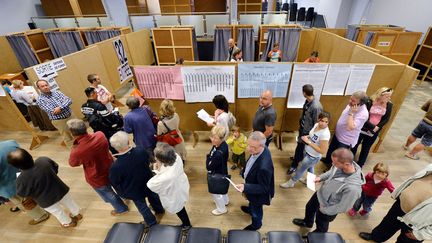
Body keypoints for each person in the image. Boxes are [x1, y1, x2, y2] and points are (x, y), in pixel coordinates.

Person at [292, 148, 364, 233]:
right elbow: (332, 172)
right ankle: (307, 222)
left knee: (321, 224)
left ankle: (316, 237)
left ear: (347, 164)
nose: (333, 164)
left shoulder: (353, 189)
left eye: (335, 163)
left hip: (328, 207)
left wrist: (324, 210)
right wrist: (320, 177)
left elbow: (344, 207)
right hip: (321, 194)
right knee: (309, 207)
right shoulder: (341, 165)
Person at [67, 119, 129, 216]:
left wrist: (74, 147)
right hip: (111, 167)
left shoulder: (77, 151)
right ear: (85, 127)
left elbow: (72, 163)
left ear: (72, 133)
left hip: (96, 175)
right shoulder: (100, 135)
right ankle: (126, 197)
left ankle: (121, 209)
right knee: (118, 185)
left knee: (108, 193)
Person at [7, 148, 82, 228]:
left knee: (57, 212)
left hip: (46, 200)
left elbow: (23, 193)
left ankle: (68, 222)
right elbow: (55, 167)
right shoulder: (43, 160)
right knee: (69, 202)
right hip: (60, 189)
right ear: (30, 155)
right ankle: (77, 214)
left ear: (16, 166)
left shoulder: (21, 179)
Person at [359, 164, 432, 243]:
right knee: (386, 225)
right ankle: (376, 237)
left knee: (405, 240)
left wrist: (421, 235)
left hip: (416, 223)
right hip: (400, 205)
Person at [109, 131, 164, 227]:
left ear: (114, 148)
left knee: (142, 207)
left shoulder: (115, 167)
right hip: (148, 181)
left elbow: (115, 181)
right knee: (154, 196)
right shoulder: (140, 150)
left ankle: (152, 223)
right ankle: (159, 210)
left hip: (133, 190)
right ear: (129, 142)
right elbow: (148, 161)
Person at [0, 140, 50, 225]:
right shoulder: (10, 143)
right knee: (33, 194)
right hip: (25, 175)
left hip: (10, 186)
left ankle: (40, 216)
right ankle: (46, 206)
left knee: (24, 202)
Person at [235, 131, 275, 230]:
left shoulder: (264, 167)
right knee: (251, 203)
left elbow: (264, 187)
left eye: (253, 147)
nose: (249, 149)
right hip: (253, 183)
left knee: (256, 210)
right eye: (249, 145)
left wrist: (245, 187)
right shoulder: (259, 149)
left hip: (258, 194)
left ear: (262, 145)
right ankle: (250, 208)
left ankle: (256, 225)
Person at [147, 143, 192, 230]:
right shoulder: (176, 156)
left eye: (157, 157)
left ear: (163, 160)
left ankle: (187, 224)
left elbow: (151, 184)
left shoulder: (168, 176)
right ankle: (186, 223)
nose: (155, 158)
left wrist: (156, 169)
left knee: (179, 208)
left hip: (173, 191)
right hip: (180, 183)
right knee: (180, 206)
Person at [281, 112, 330, 188]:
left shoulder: (325, 134)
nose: (323, 123)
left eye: (326, 122)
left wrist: (309, 142)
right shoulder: (316, 125)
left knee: (301, 169)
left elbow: (322, 151)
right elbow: (312, 135)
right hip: (308, 151)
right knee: (310, 167)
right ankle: (310, 182)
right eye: (322, 121)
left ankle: (291, 182)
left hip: (313, 157)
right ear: (318, 119)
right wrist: (306, 137)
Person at [323, 91, 369, 167]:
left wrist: (351, 113)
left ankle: (332, 170)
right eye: (350, 99)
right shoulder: (351, 105)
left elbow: (350, 127)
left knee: (338, 158)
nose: (350, 102)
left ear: (361, 103)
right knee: (331, 150)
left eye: (353, 101)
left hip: (345, 140)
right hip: (338, 134)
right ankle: (327, 160)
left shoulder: (363, 114)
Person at [352, 87, 393, 167]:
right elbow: (364, 115)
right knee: (355, 144)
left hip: (374, 130)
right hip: (363, 127)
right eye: (387, 96)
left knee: (366, 148)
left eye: (390, 96)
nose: (389, 98)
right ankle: (349, 160)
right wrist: (372, 126)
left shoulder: (389, 105)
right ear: (380, 95)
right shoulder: (369, 101)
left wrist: (377, 127)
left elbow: (386, 118)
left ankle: (360, 165)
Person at [288, 84, 323, 175]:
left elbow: (317, 123)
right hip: (303, 129)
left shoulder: (316, 107)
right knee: (299, 147)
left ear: (304, 93)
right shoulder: (307, 101)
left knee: (301, 147)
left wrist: (310, 135)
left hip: (307, 133)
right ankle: (298, 158)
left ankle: (295, 165)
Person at [81, 87, 123, 152]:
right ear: (92, 94)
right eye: (96, 93)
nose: (97, 94)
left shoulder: (83, 107)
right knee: (113, 144)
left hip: (96, 129)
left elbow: (87, 116)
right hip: (106, 129)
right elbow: (109, 118)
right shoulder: (99, 106)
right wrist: (117, 117)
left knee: (106, 143)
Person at [36, 79, 75, 148]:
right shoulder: (40, 100)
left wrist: (60, 107)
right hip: (60, 121)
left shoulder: (57, 92)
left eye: (46, 85)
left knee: (79, 132)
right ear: (39, 88)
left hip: (71, 116)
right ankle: (76, 154)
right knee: (68, 138)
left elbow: (69, 100)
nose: (45, 87)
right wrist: (64, 106)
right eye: (42, 86)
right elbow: (53, 111)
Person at [206, 125, 230, 216]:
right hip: (222, 170)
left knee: (215, 192)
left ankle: (221, 209)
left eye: (215, 138)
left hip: (216, 173)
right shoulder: (223, 144)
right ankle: (225, 201)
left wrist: (208, 157)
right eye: (212, 136)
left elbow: (209, 167)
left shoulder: (219, 153)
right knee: (222, 186)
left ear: (222, 138)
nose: (212, 139)